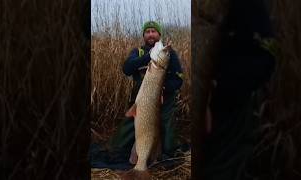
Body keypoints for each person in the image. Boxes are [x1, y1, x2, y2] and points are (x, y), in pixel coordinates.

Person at [202, 0, 276, 179]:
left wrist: (221, 87)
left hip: (235, 100)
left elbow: (267, 57)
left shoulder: (251, 8)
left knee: (225, 164)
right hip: (220, 96)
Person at [108, 21, 184, 162]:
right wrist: (149, 56)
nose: (150, 34)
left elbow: (179, 79)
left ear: (159, 34)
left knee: (169, 144)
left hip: (165, 102)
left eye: (153, 31)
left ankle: (167, 150)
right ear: (143, 35)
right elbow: (127, 69)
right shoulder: (138, 52)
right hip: (140, 102)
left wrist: (163, 87)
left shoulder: (169, 54)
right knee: (119, 143)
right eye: (147, 32)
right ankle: (129, 151)